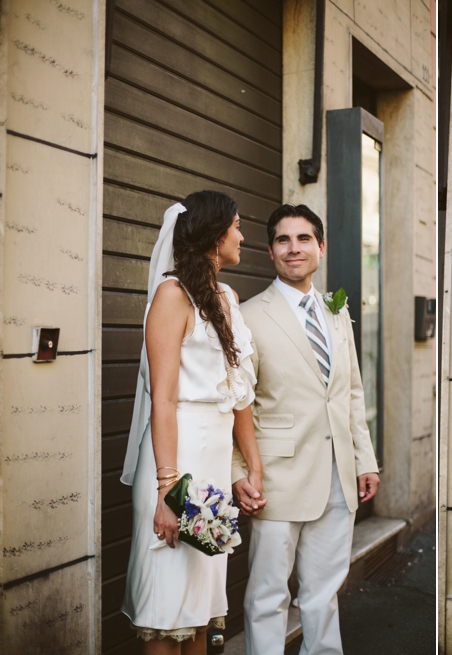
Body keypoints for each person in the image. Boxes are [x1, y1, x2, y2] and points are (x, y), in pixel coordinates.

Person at [230, 203, 380, 655]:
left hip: (338, 475)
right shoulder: (250, 315)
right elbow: (237, 402)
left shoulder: (336, 309)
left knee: (323, 592)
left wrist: (365, 459)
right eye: (283, 240)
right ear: (270, 251)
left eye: (303, 239)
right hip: (275, 477)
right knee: (268, 595)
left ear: (320, 247)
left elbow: (351, 391)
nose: (294, 249)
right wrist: (239, 470)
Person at [120, 191, 263, 653]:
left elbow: (238, 391)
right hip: (175, 461)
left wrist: (250, 468)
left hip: (216, 466)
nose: (242, 236)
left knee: (202, 612)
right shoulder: (170, 296)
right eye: (237, 227)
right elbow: (162, 400)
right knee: (165, 609)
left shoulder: (227, 296)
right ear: (214, 234)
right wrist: (166, 492)